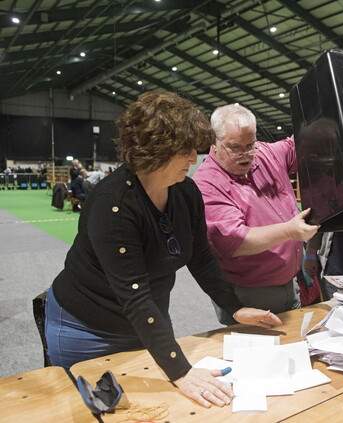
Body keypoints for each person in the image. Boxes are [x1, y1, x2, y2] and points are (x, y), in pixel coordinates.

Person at [45, 92, 281, 408]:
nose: (193, 158)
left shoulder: (185, 192)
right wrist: (181, 372)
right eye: (185, 150)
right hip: (87, 329)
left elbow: (201, 256)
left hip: (148, 320)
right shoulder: (113, 205)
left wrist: (234, 306)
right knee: (89, 410)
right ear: (154, 152)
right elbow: (134, 294)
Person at [192, 104, 319, 325]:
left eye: (250, 145)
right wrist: (289, 230)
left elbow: (300, 144)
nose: (246, 155)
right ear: (214, 142)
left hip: (290, 284)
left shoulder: (265, 153)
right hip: (249, 294)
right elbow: (236, 242)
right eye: (235, 147)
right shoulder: (207, 184)